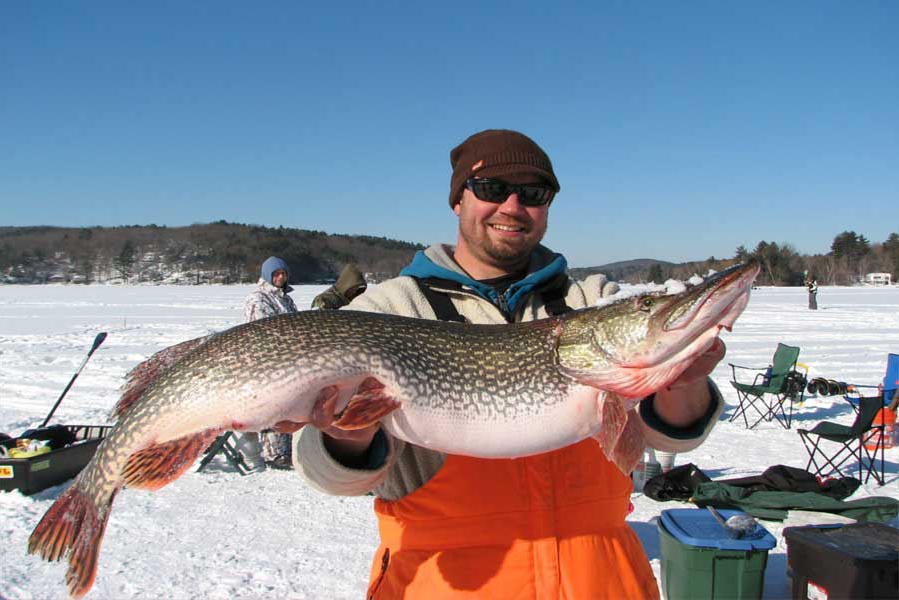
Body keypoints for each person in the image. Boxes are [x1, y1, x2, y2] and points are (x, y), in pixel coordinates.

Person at [291, 129, 726, 598]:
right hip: (444, 585)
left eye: (533, 193)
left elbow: (665, 436)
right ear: (458, 200)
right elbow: (325, 474)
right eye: (492, 189)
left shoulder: (589, 303)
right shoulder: (387, 311)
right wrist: (349, 434)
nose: (513, 206)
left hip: (599, 580)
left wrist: (683, 383)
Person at [241, 256, 298, 469]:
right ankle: (273, 453)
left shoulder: (285, 298)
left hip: (289, 361)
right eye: (276, 274)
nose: (281, 277)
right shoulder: (258, 299)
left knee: (290, 404)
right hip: (266, 363)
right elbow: (261, 331)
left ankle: (287, 449)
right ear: (267, 275)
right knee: (273, 406)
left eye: (283, 274)